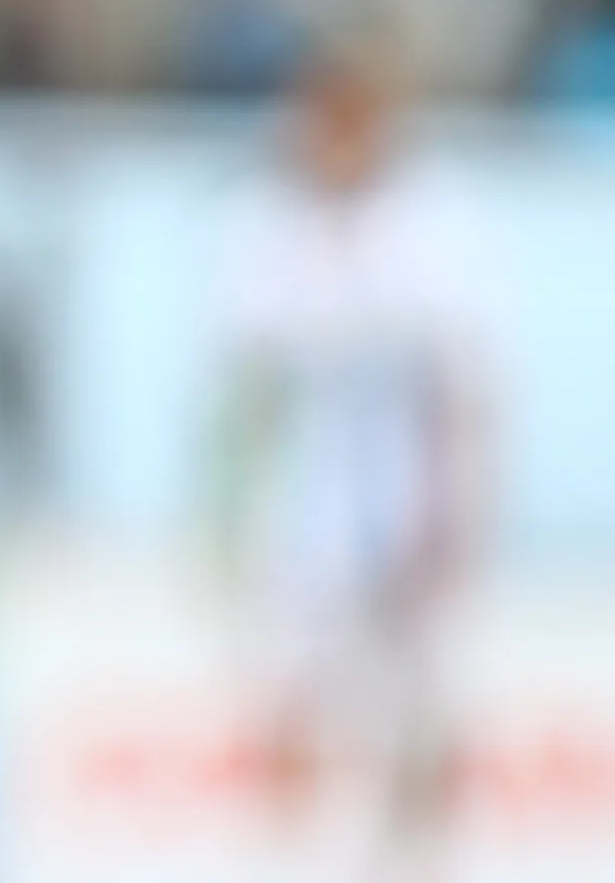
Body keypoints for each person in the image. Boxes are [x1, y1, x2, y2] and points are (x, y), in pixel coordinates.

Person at [215, 46, 490, 883]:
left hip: (408, 493)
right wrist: (233, 520)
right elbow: (247, 389)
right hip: (308, 500)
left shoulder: (434, 225)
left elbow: (461, 385)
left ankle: (418, 858)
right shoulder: (264, 224)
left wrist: (451, 513)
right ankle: (289, 853)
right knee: (289, 691)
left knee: (422, 700)